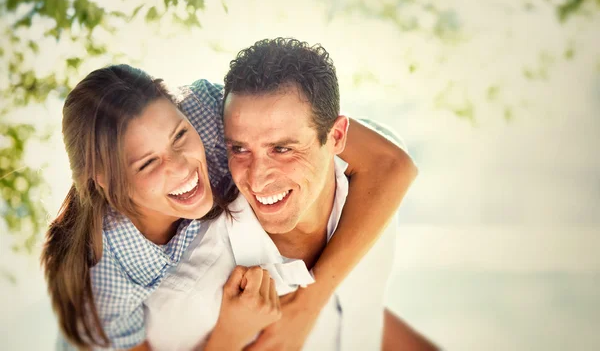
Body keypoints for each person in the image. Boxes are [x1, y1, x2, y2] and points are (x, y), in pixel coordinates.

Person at [41, 58, 418, 350]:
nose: (182, 166)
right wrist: (230, 333)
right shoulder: (105, 279)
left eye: (178, 136)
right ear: (103, 182)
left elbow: (390, 163)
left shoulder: (206, 116)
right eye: (148, 162)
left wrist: (307, 305)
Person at [142, 38, 438, 350]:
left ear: (336, 136)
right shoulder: (194, 293)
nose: (256, 178)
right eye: (239, 148)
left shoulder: (371, 196)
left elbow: (361, 314)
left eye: (282, 149)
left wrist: (309, 305)